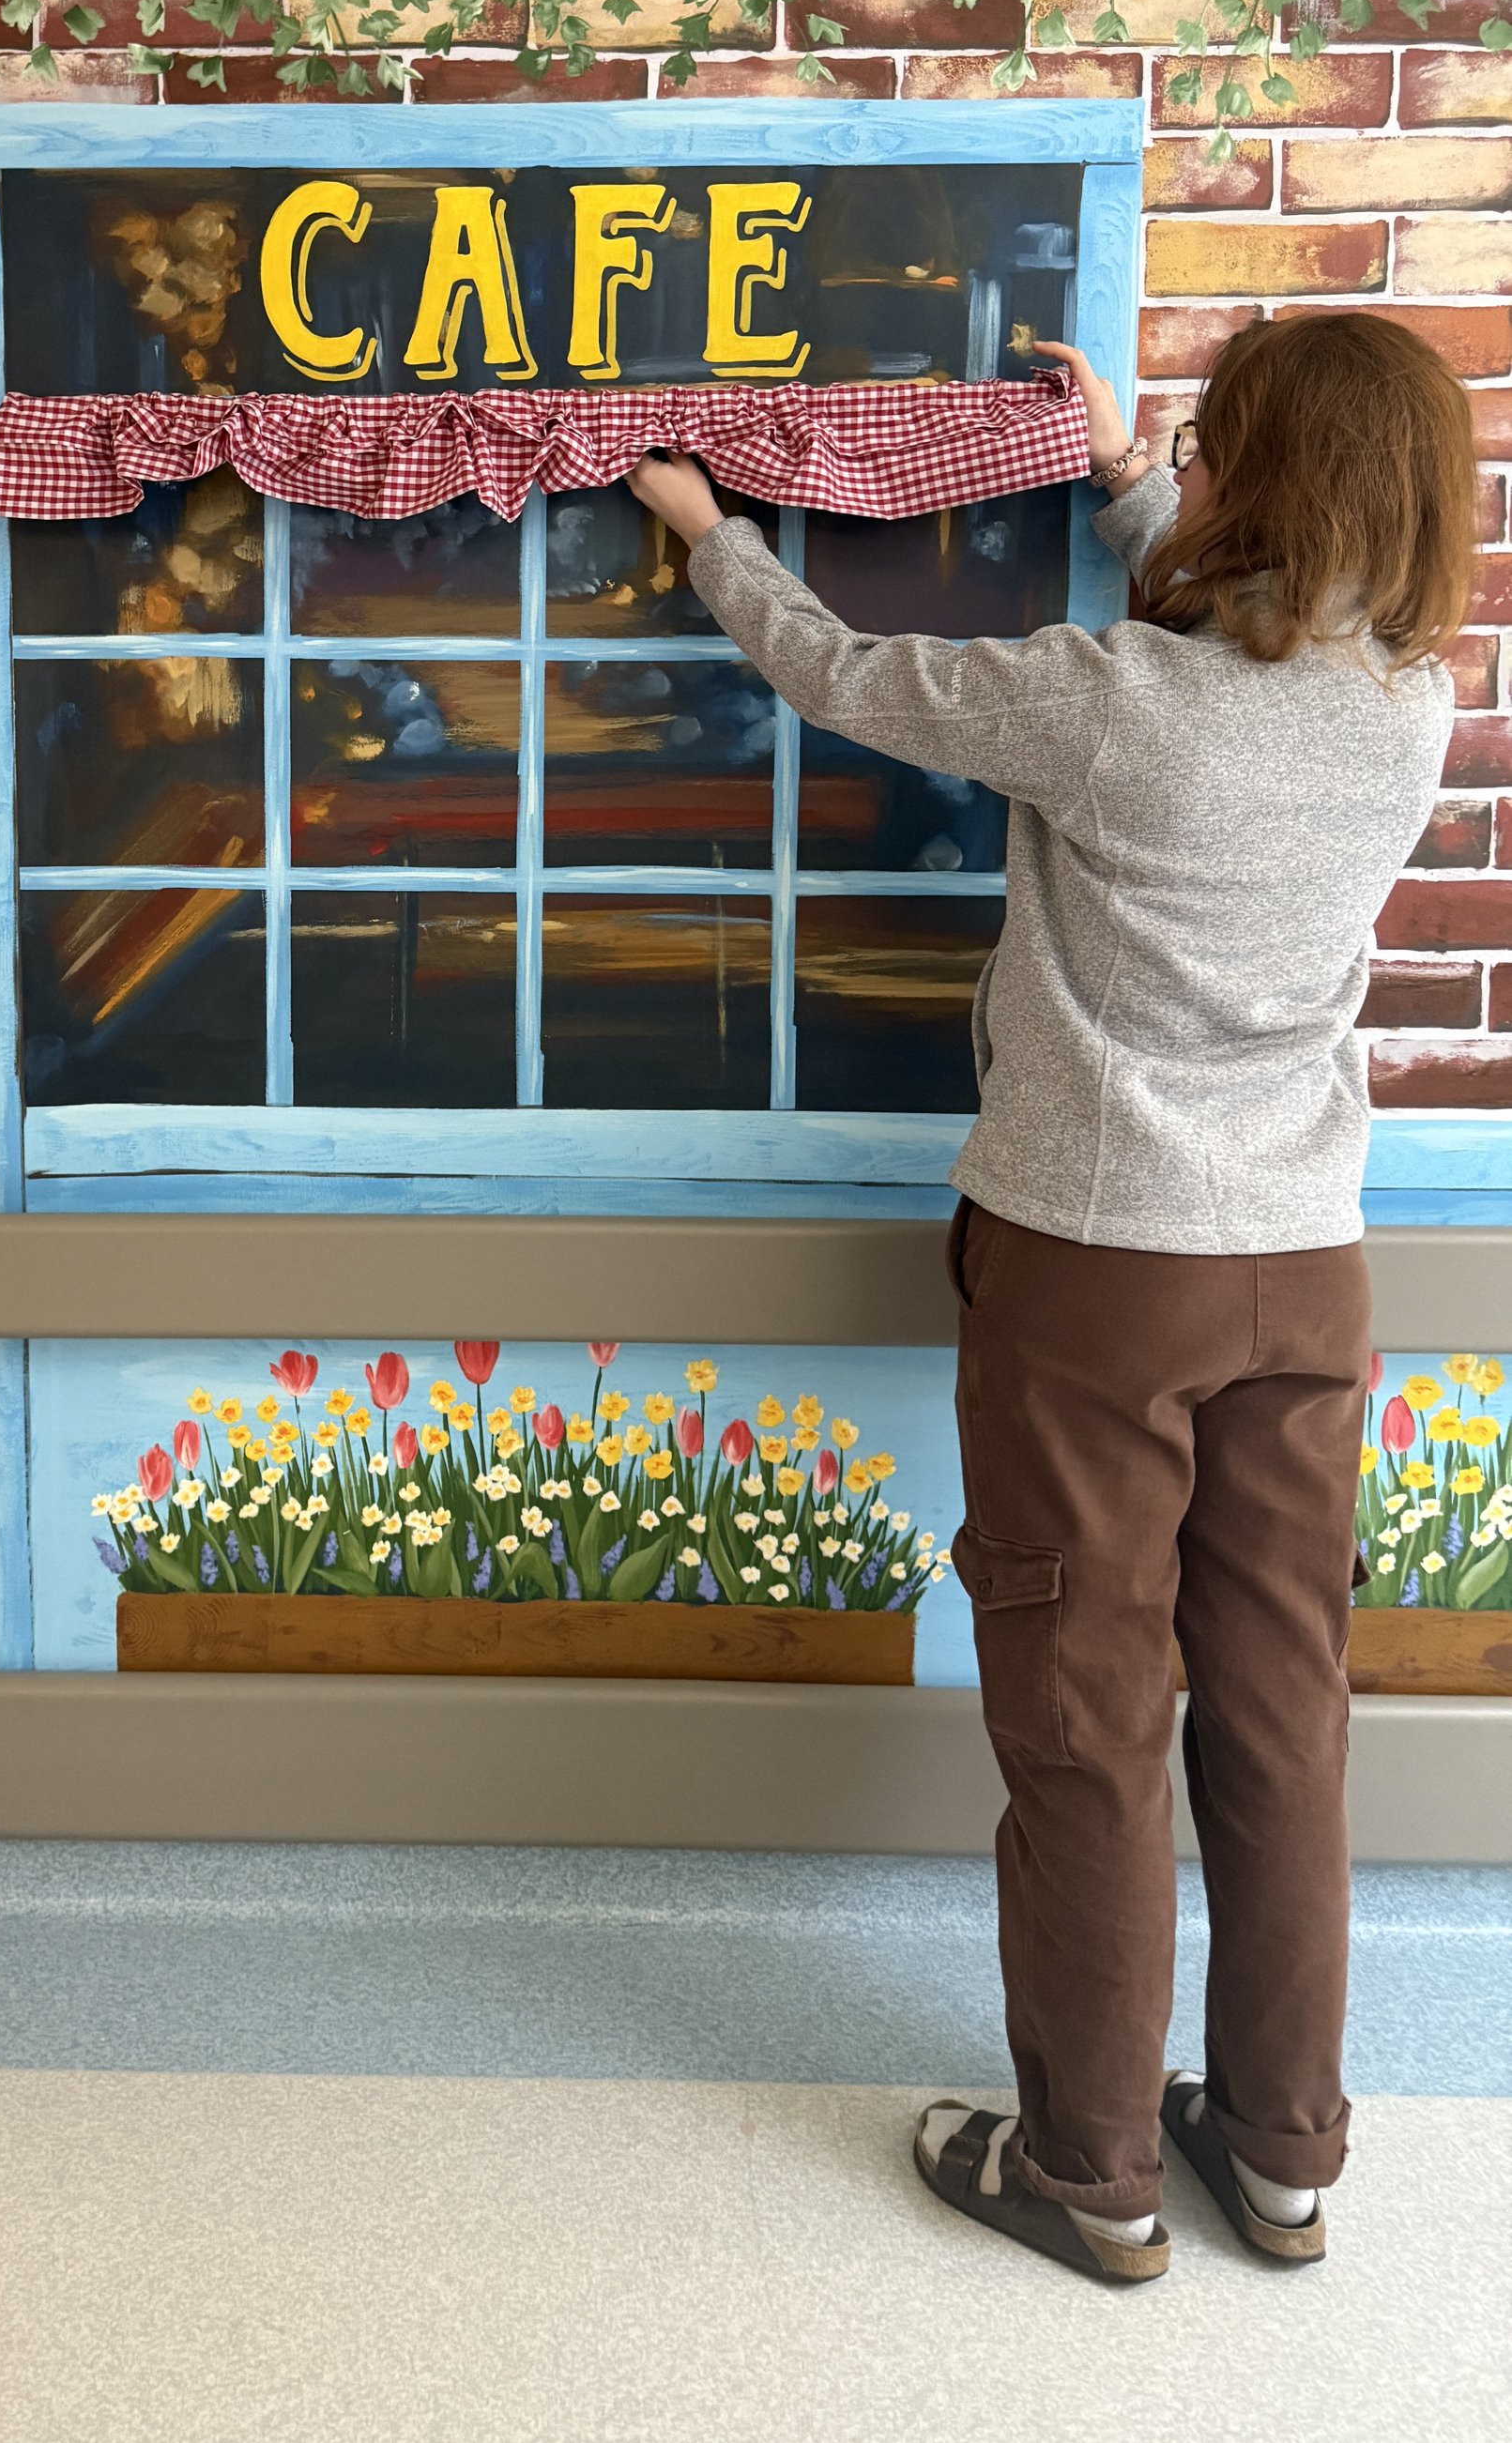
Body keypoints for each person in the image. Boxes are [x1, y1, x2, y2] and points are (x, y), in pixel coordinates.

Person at [629, 313, 1471, 2284]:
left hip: (1098, 1265)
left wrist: (705, 532)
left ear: (1264, 479)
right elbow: (1245, 633)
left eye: (1213, 439)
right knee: (1277, 1715)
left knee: (1088, 1718)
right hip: (1301, 1266)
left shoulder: (1114, 701)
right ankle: (1278, 2148)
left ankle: (1083, 2165)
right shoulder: (1408, 700)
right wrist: (1117, 475)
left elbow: (845, 671)